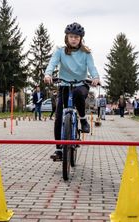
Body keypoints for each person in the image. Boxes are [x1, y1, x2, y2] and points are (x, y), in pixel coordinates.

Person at [44, 22, 100, 160]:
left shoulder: (86, 53)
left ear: (81, 38)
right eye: (71, 36)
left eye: (76, 37)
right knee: (58, 118)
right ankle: (59, 150)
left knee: (79, 94)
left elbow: (92, 67)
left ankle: (83, 119)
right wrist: (48, 74)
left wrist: (95, 78)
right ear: (67, 37)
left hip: (81, 84)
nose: (74, 39)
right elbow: (52, 63)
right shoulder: (60, 51)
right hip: (64, 85)